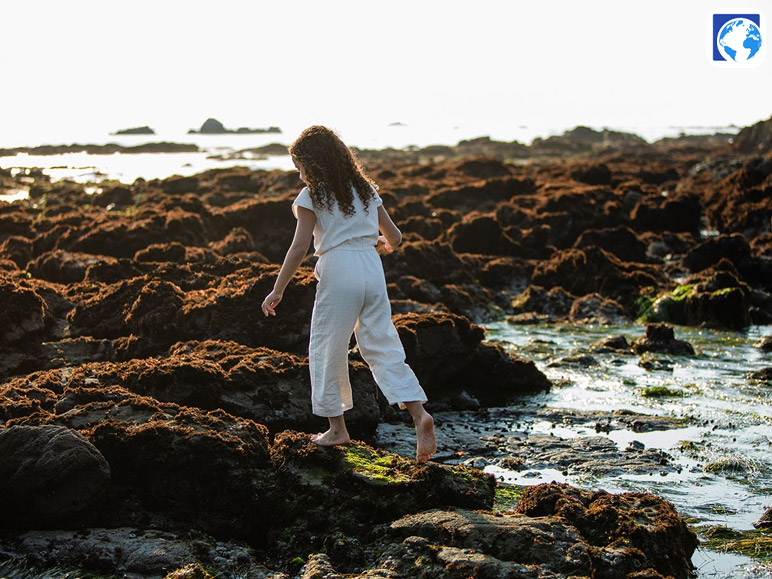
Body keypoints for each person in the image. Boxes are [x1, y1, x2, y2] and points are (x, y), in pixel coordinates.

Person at [261, 125, 436, 462]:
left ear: (313, 165)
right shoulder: (367, 191)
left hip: (338, 268)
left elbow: (299, 249)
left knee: (328, 348)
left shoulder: (313, 195)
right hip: (371, 267)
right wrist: (376, 245)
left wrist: (278, 289)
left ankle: (337, 428)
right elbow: (395, 237)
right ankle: (419, 413)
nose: (298, 173)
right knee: (382, 343)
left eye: (300, 165)